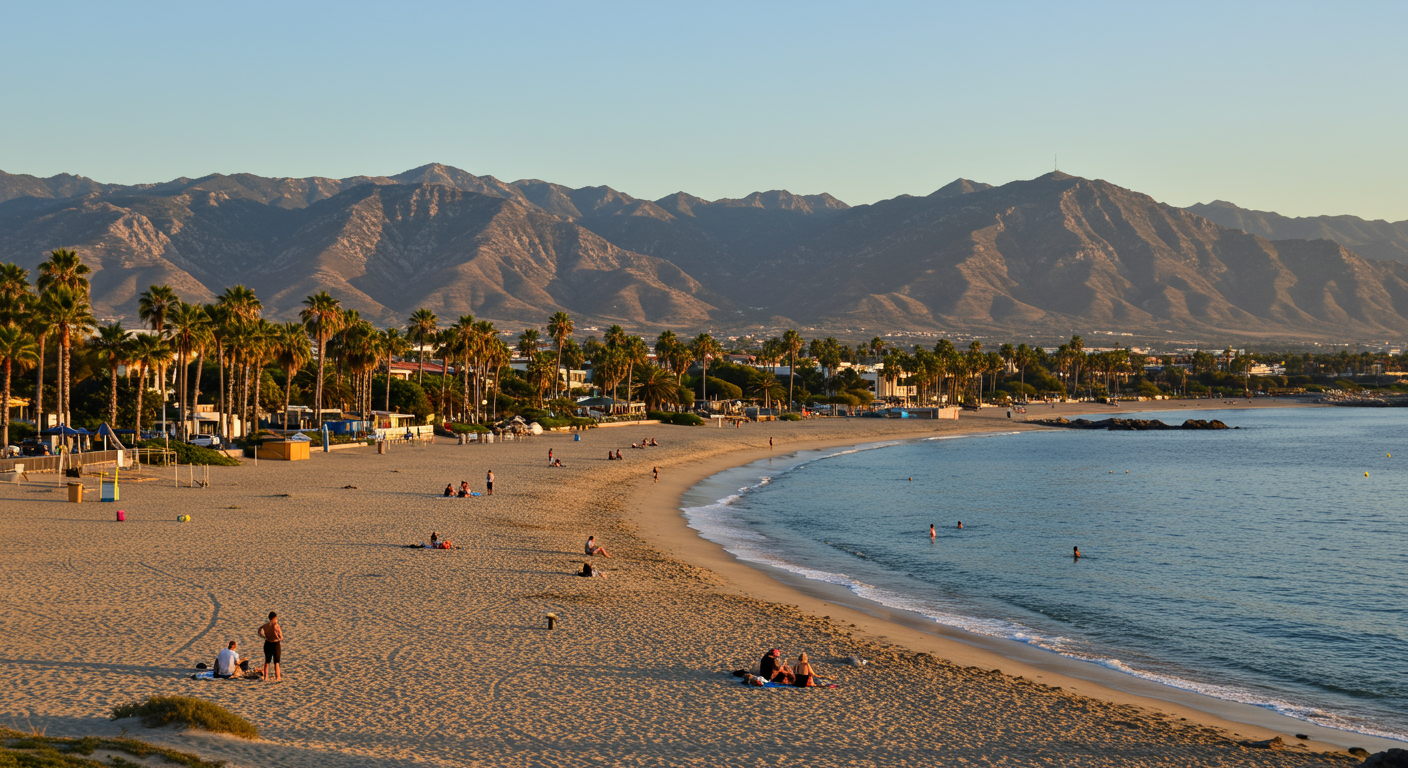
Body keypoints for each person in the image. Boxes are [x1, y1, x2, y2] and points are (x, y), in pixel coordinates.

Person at [258, 612, 283, 681]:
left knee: (267, 661)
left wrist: (263, 636)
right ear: (274, 618)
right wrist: (279, 637)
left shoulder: (265, 625)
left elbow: (259, 631)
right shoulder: (276, 625)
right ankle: (278, 677)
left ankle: (266, 677)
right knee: (276, 662)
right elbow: (281, 636)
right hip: (275, 644)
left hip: (267, 643)